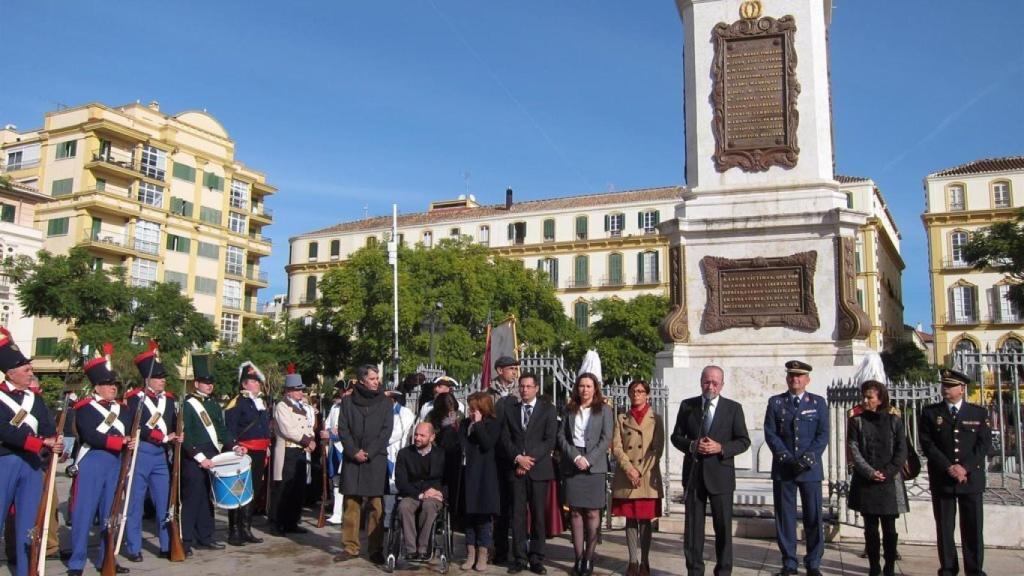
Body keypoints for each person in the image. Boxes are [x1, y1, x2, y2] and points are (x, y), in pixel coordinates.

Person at [671, 365, 750, 576]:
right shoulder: (688, 406)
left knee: (723, 529)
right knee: (693, 530)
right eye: (707, 381)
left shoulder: (733, 408)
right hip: (694, 477)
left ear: (722, 385)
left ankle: (723, 571)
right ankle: (694, 570)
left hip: (721, 476)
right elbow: (676, 436)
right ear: (701, 382)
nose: (711, 386)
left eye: (715, 383)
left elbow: (743, 441)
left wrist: (721, 448)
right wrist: (691, 445)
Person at [68, 344, 134, 576]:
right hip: (93, 461)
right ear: (97, 387)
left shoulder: (123, 410)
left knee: (111, 514)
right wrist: (121, 442)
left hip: (116, 464)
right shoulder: (85, 407)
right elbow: (90, 435)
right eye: (108, 384)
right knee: (83, 513)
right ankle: (76, 562)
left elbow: (129, 433)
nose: (113, 388)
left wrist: (129, 443)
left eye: (114, 384)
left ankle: (108, 559)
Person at [918, 368, 992, 576]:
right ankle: (948, 569)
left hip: (971, 479)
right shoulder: (931, 413)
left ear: (962, 389)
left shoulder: (977, 413)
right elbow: (927, 443)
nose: (946, 389)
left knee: (973, 528)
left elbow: (983, 444)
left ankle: (975, 569)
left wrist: (964, 467)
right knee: (945, 528)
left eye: (950, 386)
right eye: (944, 385)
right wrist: (949, 467)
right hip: (943, 478)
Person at [0, 327, 59, 576]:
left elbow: (46, 425)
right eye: (26, 370)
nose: (30, 373)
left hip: (32, 464)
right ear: (11, 373)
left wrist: (54, 440)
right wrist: (39, 443)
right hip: (6, 461)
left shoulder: (35, 398)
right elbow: (4, 431)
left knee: (29, 525)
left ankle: (27, 570)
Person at [763, 360, 829, 576]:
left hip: (810, 470)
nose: (795, 379)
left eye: (799, 376)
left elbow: (823, 434)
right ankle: (789, 561)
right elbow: (770, 433)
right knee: (785, 517)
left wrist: (808, 458)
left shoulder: (818, 403)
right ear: (787, 378)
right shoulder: (776, 403)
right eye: (792, 375)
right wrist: (786, 457)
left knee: (813, 516)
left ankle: (813, 562)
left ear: (807, 379)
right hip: (785, 468)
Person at [122, 343, 180, 562]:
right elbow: (138, 426)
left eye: (163, 376)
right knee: (135, 503)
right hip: (142, 453)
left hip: (161, 456)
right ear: (147, 379)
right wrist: (164, 437)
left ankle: (166, 544)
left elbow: (173, 423)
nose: (162, 379)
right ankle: (134, 547)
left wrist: (177, 434)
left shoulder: (170, 399)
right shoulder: (135, 398)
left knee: (164, 503)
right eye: (157, 377)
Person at [333, 364, 393, 564]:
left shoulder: (385, 402)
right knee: (351, 504)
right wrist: (353, 451)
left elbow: (386, 431)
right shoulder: (348, 402)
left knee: (376, 505)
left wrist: (370, 452)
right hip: (353, 459)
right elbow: (343, 429)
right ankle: (350, 546)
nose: (377, 381)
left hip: (375, 459)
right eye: (373, 378)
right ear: (362, 381)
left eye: (377, 378)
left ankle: (376, 548)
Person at [847, 380, 908, 576]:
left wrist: (888, 472)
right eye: (863, 397)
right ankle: (874, 567)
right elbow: (854, 449)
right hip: (867, 480)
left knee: (889, 528)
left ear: (880, 399)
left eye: (870, 397)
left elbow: (901, 449)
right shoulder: (857, 420)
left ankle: (889, 565)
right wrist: (869, 472)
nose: (865, 401)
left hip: (889, 481)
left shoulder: (894, 420)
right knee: (870, 528)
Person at [181, 353, 239, 554]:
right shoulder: (187, 405)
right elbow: (185, 435)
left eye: (211, 382)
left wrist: (234, 445)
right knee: (191, 500)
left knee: (208, 498)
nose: (209, 385)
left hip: (213, 456)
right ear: (196, 383)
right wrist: (199, 458)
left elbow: (221, 430)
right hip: (194, 457)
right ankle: (186, 541)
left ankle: (205, 536)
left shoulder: (213, 404)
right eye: (205, 382)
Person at [501, 373, 558, 575]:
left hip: (538, 470)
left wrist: (528, 461)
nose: (524, 390)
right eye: (521, 386)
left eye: (528, 386)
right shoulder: (511, 410)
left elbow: (549, 440)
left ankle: (536, 558)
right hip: (516, 469)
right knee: (517, 515)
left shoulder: (548, 410)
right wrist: (518, 458)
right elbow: (505, 438)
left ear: (536, 388)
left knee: (538, 516)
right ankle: (519, 557)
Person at [555, 373, 612, 576]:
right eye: (581, 386)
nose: (584, 390)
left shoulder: (604, 410)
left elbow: (607, 438)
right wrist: (575, 456)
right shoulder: (569, 409)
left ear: (595, 388)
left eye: (588, 386)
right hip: (573, 464)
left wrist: (589, 459)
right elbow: (561, 436)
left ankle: (589, 558)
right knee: (576, 512)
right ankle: (578, 558)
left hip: (594, 466)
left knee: (593, 512)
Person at [611, 380, 664, 576]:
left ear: (647, 395)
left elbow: (657, 449)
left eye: (641, 391)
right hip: (627, 475)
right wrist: (629, 469)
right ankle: (632, 561)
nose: (637, 394)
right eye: (633, 391)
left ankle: (645, 561)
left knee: (645, 519)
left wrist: (639, 471)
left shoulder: (656, 418)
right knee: (631, 519)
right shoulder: (621, 417)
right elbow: (616, 447)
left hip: (647, 476)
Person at [224, 361, 272, 545]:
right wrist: (234, 446)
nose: (258, 383)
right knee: (238, 491)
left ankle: (246, 528)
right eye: (253, 381)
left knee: (252, 492)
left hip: (259, 451)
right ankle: (234, 531)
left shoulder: (260, 402)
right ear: (244, 384)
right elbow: (230, 429)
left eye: (257, 381)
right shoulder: (237, 402)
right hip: (243, 452)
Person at [271, 364, 315, 535]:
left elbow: (307, 425)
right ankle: (276, 522)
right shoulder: (283, 406)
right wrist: (306, 440)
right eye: (297, 390)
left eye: (301, 390)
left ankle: (292, 521)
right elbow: (288, 429)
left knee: (298, 489)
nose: (301, 393)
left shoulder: (302, 406)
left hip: (301, 451)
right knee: (283, 488)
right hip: (288, 451)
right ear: (289, 391)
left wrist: (311, 439)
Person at [394, 421, 446, 567]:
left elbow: (448, 479)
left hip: (434, 494)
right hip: (412, 493)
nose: (417, 438)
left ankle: (423, 548)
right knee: (404, 507)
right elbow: (401, 482)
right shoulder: (404, 454)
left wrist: (439, 492)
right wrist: (419, 495)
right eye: (416, 434)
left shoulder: (441, 454)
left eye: (422, 435)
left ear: (432, 437)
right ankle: (410, 549)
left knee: (429, 507)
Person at [459, 392, 501, 572]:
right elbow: (461, 443)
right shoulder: (464, 424)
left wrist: (478, 424)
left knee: (483, 517)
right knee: (468, 516)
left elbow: (487, 444)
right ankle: (470, 553)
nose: (471, 412)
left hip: (484, 476)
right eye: (470, 409)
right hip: (467, 474)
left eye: (474, 409)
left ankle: (483, 553)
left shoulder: (492, 424)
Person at [488, 355, 521, 565]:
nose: (514, 372)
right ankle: (499, 550)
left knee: (516, 507)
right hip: (495, 455)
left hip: (516, 454)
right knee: (499, 507)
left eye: (516, 368)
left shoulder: (520, 392)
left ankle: (520, 552)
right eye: (510, 368)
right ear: (500, 370)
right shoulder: (489, 394)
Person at [427, 392, 463, 517]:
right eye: (448, 411)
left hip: (455, 457)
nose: (450, 414)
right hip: (438, 456)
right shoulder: (431, 417)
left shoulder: (459, 416)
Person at [383, 389, 416, 528]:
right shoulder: (382, 412)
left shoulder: (405, 413)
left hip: (395, 453)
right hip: (383, 451)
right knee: (385, 486)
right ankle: (386, 515)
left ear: (393, 399)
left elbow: (397, 433)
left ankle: (390, 517)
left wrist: (379, 440)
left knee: (393, 485)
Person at [322, 380, 351, 525]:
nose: (344, 393)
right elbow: (328, 424)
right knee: (335, 481)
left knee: (349, 481)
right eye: (342, 391)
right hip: (335, 448)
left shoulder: (355, 407)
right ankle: (337, 512)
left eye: (347, 391)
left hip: (347, 448)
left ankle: (347, 513)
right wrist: (328, 432)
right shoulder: (335, 407)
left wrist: (335, 433)